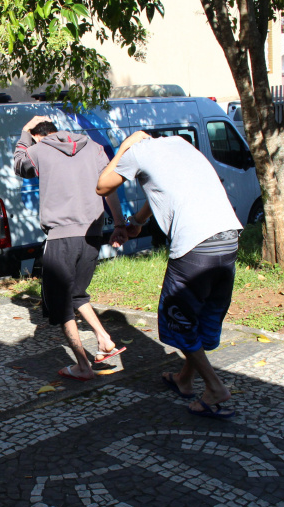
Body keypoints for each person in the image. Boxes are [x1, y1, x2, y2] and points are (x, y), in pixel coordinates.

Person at [97, 131, 243, 418]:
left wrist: (124, 147)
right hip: (228, 238)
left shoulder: (137, 152)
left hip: (194, 245)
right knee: (201, 316)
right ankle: (184, 379)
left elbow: (102, 186)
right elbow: (164, 193)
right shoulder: (180, 145)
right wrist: (138, 221)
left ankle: (214, 387)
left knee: (177, 318)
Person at [13, 115, 128, 382]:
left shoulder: (40, 148)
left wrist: (24, 132)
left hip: (60, 237)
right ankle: (105, 340)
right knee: (77, 293)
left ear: (38, 137)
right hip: (92, 235)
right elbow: (109, 187)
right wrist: (119, 224)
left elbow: (20, 164)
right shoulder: (93, 147)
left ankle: (83, 366)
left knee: (61, 305)